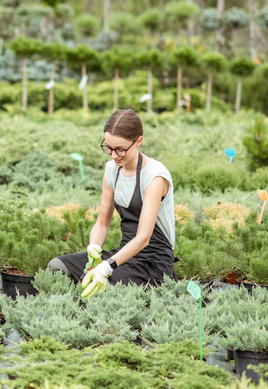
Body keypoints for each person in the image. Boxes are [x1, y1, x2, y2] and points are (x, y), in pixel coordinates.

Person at [48, 108, 176, 297]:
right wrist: (94, 248)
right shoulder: (111, 170)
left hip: (153, 262)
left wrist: (106, 267)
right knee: (56, 266)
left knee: (104, 287)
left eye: (121, 149)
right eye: (108, 147)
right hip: (124, 255)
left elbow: (143, 238)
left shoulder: (154, 176)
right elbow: (102, 222)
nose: (113, 155)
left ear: (139, 141)